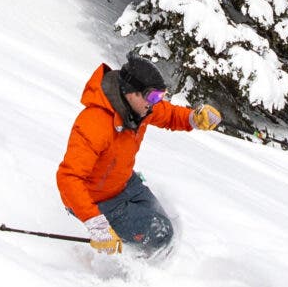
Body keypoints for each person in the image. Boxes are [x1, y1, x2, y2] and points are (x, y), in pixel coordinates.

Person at [56, 55, 220, 257]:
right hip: (99, 200)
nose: (154, 103)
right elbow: (68, 178)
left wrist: (193, 118)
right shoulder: (94, 124)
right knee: (162, 236)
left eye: (159, 97)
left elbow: (168, 114)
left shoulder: (140, 109)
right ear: (131, 92)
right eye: (152, 97)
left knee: (163, 221)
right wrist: (96, 224)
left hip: (125, 182)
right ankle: (132, 268)